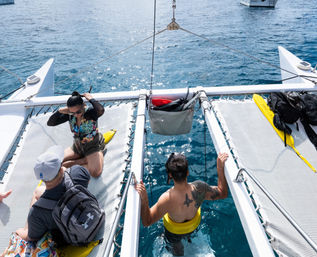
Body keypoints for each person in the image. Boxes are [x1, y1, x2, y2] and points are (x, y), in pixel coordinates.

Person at [135, 152, 228, 256]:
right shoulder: (200, 189)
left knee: (178, 253)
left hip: (173, 236)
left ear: (170, 174)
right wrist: (220, 167)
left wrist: (144, 199)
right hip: (194, 230)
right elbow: (223, 193)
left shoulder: (166, 199)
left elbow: (147, 222)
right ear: (187, 172)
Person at [15, 145, 91, 244]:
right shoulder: (77, 173)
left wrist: (18, 232)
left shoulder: (37, 212)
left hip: (71, 239)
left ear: (42, 179)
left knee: (37, 191)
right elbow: (87, 180)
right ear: (61, 169)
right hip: (90, 220)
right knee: (39, 191)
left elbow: (31, 237)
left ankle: (26, 228)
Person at [47, 91, 105, 177]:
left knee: (95, 173)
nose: (76, 115)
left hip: (92, 146)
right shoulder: (70, 115)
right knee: (55, 163)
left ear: (83, 106)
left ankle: (82, 160)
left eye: (78, 112)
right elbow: (50, 123)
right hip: (77, 146)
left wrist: (90, 99)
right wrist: (59, 111)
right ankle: (84, 160)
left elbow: (100, 110)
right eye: (73, 112)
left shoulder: (90, 113)